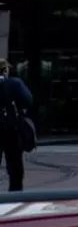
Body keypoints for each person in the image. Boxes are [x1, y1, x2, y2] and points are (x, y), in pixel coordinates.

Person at [0, 60, 33, 192]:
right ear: (5, 70)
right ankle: (15, 195)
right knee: (14, 164)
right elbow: (28, 99)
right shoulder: (14, 83)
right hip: (11, 128)